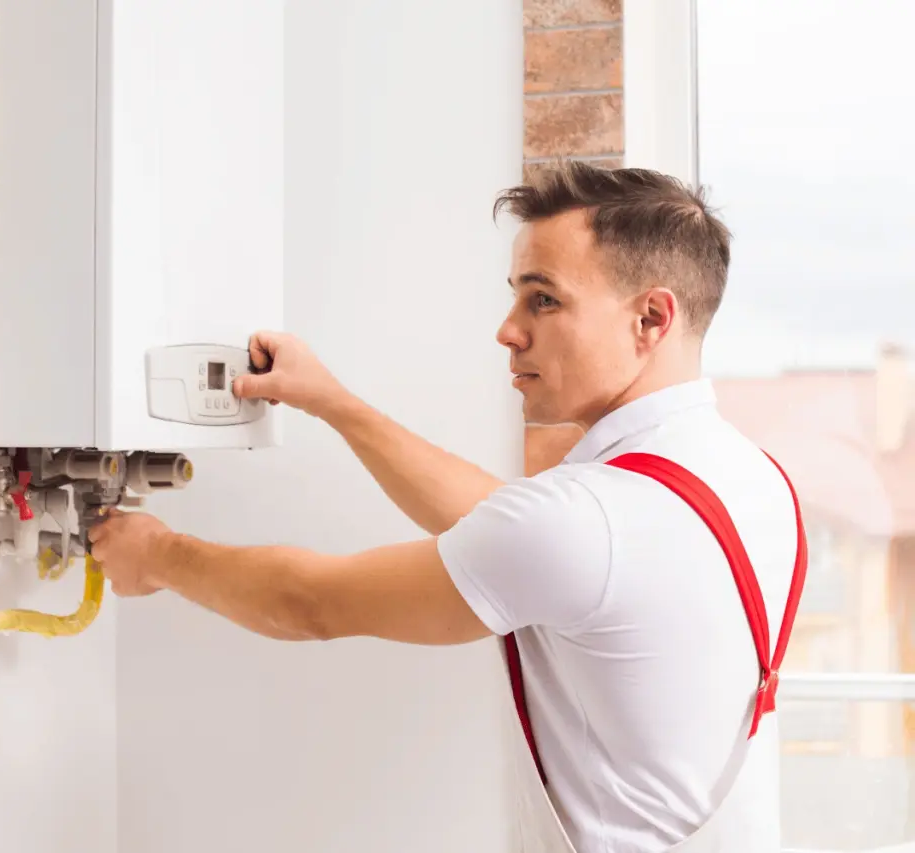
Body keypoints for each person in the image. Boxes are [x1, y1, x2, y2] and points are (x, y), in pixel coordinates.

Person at [89, 162, 806, 853]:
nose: (508, 329)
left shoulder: (586, 521)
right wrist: (331, 402)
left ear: (650, 317)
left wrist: (155, 555)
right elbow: (506, 523)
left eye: (543, 298)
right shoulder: (749, 478)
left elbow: (308, 602)